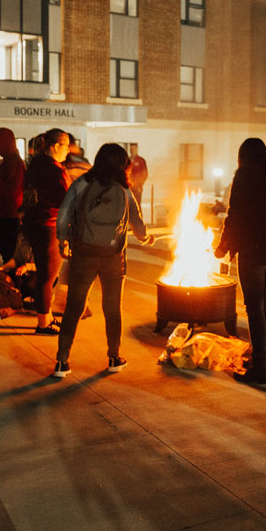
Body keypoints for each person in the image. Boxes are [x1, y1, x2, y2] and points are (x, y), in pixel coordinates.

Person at [53, 143, 153, 376]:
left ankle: (61, 361)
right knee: (112, 308)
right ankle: (114, 357)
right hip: (113, 257)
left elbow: (64, 214)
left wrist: (62, 240)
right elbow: (136, 221)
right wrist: (145, 237)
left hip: (84, 253)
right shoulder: (123, 188)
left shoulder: (81, 183)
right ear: (122, 165)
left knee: (74, 307)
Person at [214, 138, 266, 384]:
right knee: (264, 302)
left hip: (253, 249)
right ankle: (261, 355)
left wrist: (222, 247)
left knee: (254, 307)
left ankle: (261, 366)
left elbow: (234, 215)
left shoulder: (244, 177)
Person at [23, 128, 71, 334]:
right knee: (48, 275)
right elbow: (67, 201)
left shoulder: (36, 163)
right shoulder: (55, 170)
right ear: (55, 146)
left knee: (45, 273)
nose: (68, 150)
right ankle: (43, 322)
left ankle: (48, 317)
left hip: (33, 222)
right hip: (48, 225)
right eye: (66, 145)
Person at [0, 127, 26, 264]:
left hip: (10, 216)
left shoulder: (13, 162)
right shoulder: (8, 160)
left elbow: (11, 190)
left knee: (10, 256)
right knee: (8, 254)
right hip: (6, 215)